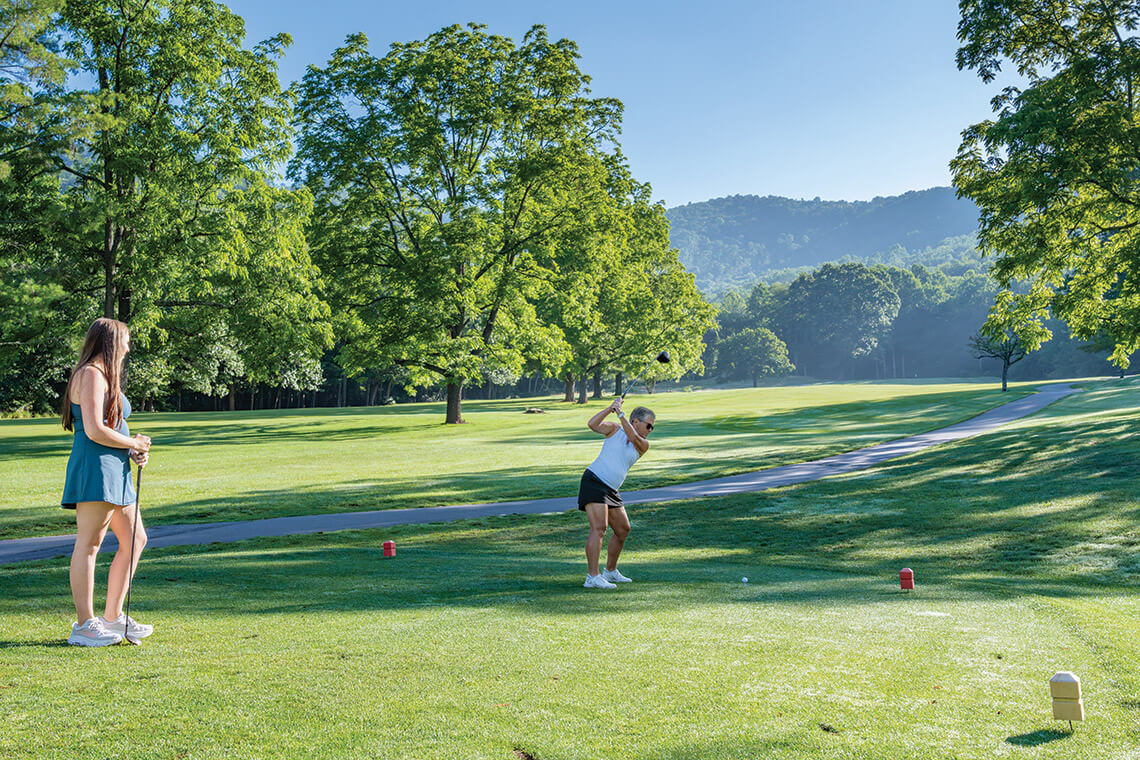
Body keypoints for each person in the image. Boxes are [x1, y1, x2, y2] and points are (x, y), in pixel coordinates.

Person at [60, 318, 153, 646]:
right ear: (111, 342)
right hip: (96, 469)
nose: (128, 347)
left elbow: (112, 426)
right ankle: (85, 625)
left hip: (117, 469)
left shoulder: (105, 376)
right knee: (90, 544)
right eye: (125, 341)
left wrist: (133, 450)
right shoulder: (89, 374)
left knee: (136, 540)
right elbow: (95, 428)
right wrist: (133, 444)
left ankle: (112, 617)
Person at [578, 397, 655, 589]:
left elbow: (635, 438)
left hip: (611, 489)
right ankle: (592, 576)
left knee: (622, 529)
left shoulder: (643, 444)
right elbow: (592, 424)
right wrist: (610, 409)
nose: (650, 431)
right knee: (599, 528)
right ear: (636, 422)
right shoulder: (614, 429)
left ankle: (610, 571)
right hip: (594, 481)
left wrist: (620, 414)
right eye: (649, 426)